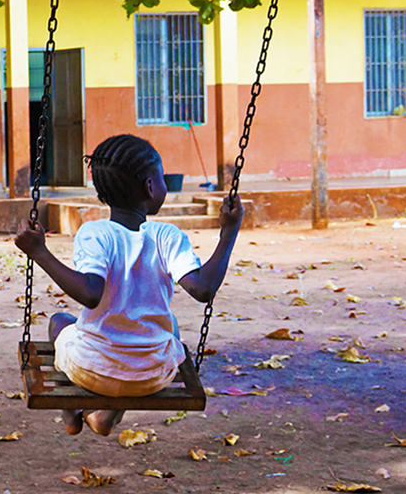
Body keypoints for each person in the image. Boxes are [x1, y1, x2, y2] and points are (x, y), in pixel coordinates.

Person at [15, 134, 243, 436]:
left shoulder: (96, 233)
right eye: (160, 177)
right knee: (168, 326)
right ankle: (105, 416)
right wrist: (229, 232)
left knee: (60, 322)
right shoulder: (167, 235)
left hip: (91, 370)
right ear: (150, 187)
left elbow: (91, 293)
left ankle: (71, 414)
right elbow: (203, 289)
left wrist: (40, 253)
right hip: (153, 374)